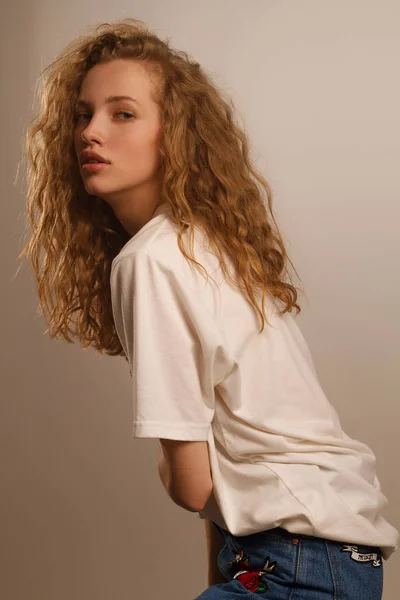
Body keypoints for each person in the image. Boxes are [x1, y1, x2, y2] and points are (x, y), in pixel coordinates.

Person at [19, 17, 398, 600]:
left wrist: (174, 470)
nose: (90, 132)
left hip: (294, 562)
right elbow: (226, 469)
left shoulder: (152, 260)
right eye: (82, 113)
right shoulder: (208, 246)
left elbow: (192, 485)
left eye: (122, 113)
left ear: (174, 134)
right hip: (326, 558)